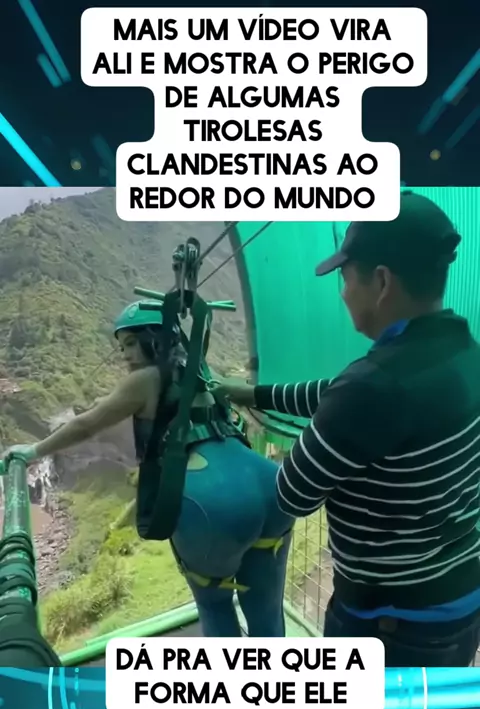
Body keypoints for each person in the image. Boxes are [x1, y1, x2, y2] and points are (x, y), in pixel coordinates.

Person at [222, 191, 480, 667]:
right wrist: (253, 394)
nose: (342, 293)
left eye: (345, 278)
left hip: (389, 626)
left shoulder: (373, 386)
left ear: (381, 282)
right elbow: (337, 395)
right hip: (460, 603)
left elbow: (293, 495)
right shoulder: (462, 349)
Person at [3, 301, 293, 639]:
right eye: (122, 346)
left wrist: (34, 450)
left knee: (215, 606)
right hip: (270, 484)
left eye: (130, 343)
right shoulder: (198, 368)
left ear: (155, 339)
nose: (125, 354)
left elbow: (86, 425)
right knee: (266, 609)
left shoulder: (144, 380)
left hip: (212, 502)